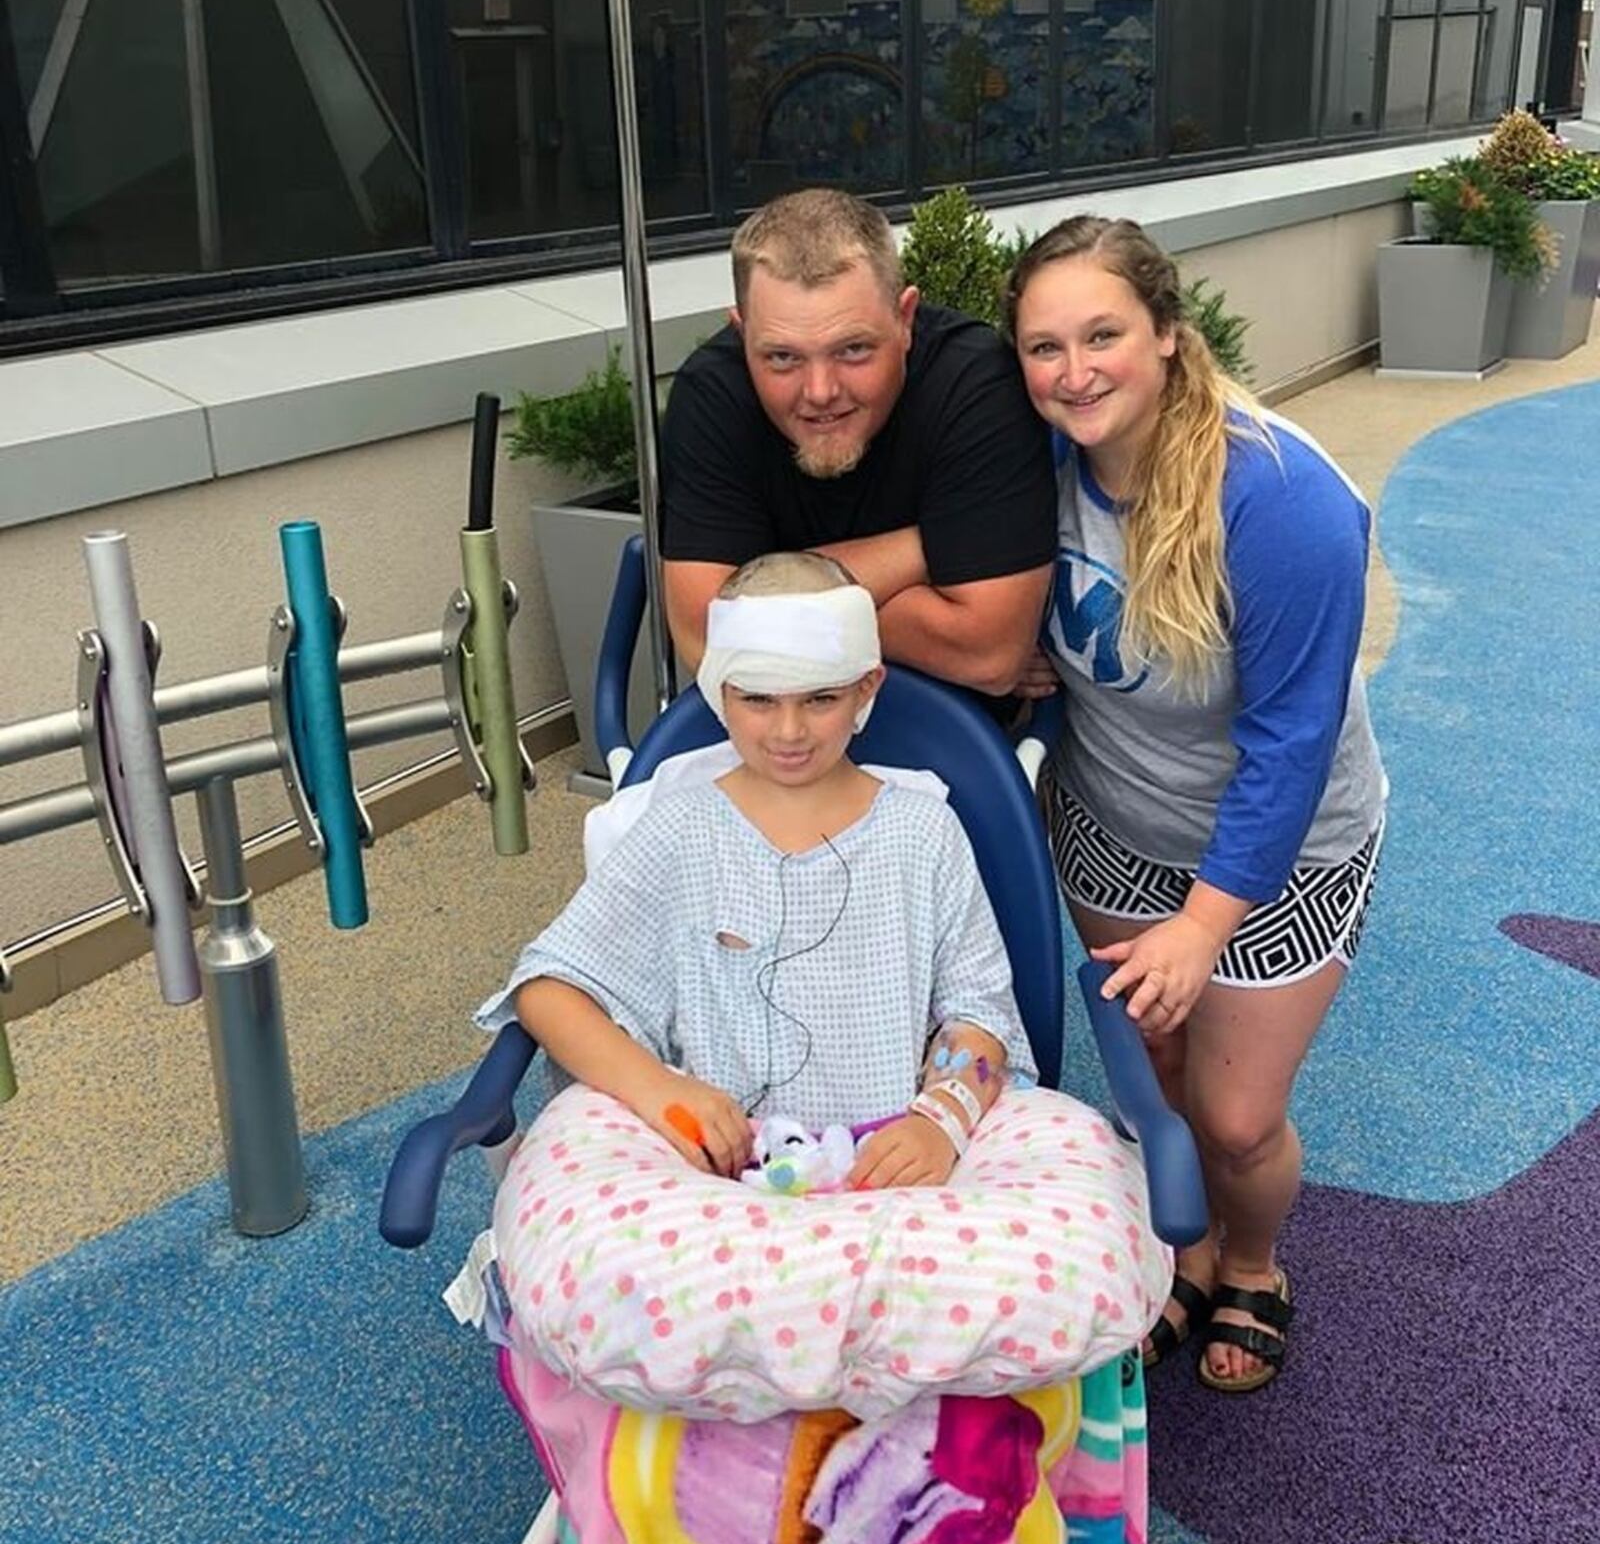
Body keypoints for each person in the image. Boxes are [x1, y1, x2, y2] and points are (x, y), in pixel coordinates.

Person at [1007, 215, 1387, 1395]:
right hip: (1112, 824)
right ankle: (1189, 1254)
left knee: (1231, 1119)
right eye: (1042, 346)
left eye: (1103, 334)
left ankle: (1256, 1266)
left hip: (1278, 848)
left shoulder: (1280, 501)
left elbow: (1288, 745)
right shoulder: (1035, 470)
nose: (1073, 372)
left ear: (1168, 334)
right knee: (1155, 1082)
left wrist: (1203, 925)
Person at [474, 550, 1036, 1188]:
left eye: (821, 698)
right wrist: (660, 1091)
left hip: (893, 1168)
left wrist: (941, 1122)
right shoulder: (680, 831)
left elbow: (981, 1013)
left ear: (866, 689)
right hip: (712, 1176)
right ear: (720, 693)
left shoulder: (924, 832)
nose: (789, 731)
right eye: (759, 699)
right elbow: (549, 989)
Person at [659, 188, 1056, 697]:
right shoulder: (713, 395)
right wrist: (925, 546)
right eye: (782, 357)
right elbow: (707, 641)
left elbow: (989, 656)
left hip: (955, 733)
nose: (821, 391)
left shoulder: (973, 385)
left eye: (853, 349)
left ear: (905, 318)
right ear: (742, 333)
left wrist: (769, 615)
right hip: (771, 739)